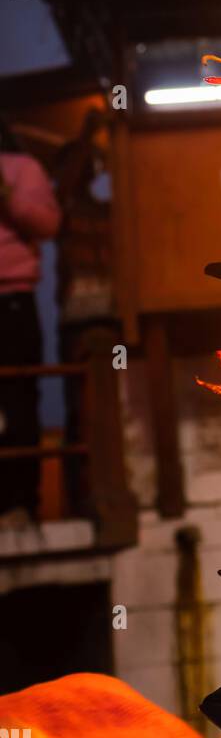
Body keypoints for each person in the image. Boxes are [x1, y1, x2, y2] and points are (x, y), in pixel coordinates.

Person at [0, 116, 61, 523]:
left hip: (12, 302)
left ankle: (21, 503)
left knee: (19, 400)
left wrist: (7, 196)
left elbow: (49, 224)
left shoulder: (23, 169)